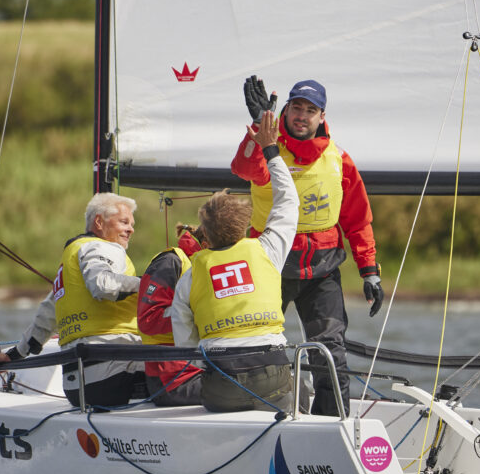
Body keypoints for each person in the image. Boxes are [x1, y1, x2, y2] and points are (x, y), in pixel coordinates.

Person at [231, 76, 383, 416]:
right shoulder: (267, 148)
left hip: (322, 267)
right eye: (296, 107)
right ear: (285, 110)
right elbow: (243, 168)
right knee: (254, 341)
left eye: (310, 110)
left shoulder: (339, 158)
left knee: (330, 350)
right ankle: (247, 413)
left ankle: (332, 423)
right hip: (270, 263)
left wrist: (369, 271)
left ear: (322, 116)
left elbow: (357, 219)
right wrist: (258, 128)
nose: (302, 116)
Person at [172, 110, 300, 413]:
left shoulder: (192, 274)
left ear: (206, 234)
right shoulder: (267, 251)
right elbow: (288, 201)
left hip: (223, 383)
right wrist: (271, 150)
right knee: (300, 391)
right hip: (273, 376)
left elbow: (184, 339)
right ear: (243, 224)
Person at [0, 193, 143, 409]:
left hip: (76, 388)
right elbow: (103, 284)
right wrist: (150, 284)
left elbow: (46, 317)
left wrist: (13, 355)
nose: (130, 229)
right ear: (99, 222)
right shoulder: (102, 247)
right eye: (124, 222)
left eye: (132, 224)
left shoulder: (70, 262)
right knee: (189, 368)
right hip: (113, 377)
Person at [137, 223, 205, 406]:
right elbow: (148, 320)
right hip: (169, 378)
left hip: (197, 369)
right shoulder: (171, 261)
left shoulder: (206, 263)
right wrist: (201, 315)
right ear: (208, 240)